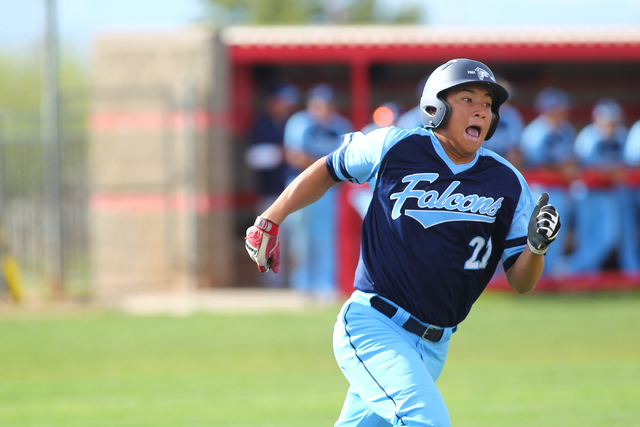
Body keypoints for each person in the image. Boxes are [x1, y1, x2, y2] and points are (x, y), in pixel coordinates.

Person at [245, 58, 561, 427]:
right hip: (373, 324)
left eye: (488, 105)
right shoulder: (395, 145)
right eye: (468, 99)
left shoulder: (507, 181)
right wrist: (271, 218)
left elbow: (521, 282)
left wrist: (536, 248)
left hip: (434, 344)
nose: (481, 110)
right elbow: (329, 168)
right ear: (435, 106)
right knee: (425, 420)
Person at [282, 83, 353, 302]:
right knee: (300, 238)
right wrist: (326, 168)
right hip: (300, 186)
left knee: (326, 237)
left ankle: (324, 284)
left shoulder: (341, 125)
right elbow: (295, 155)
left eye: (328, 105)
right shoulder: (300, 122)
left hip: (329, 189)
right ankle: (302, 284)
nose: (325, 109)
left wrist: (327, 170)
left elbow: (349, 159)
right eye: (320, 104)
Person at [567, 98, 637, 273]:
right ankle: (573, 271)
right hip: (586, 194)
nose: (611, 127)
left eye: (613, 123)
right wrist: (610, 172)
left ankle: (571, 270)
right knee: (591, 237)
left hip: (610, 194)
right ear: (597, 120)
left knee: (609, 237)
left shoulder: (620, 136)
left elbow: (625, 169)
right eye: (607, 123)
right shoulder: (588, 136)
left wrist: (610, 172)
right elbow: (583, 170)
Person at [520, 87, 577, 275]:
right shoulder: (535, 132)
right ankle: (539, 278)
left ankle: (552, 277)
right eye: (557, 107)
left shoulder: (566, 129)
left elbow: (571, 161)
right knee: (541, 234)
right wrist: (562, 169)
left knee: (557, 236)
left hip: (562, 190)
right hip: (540, 189)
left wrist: (567, 168)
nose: (562, 111)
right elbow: (533, 166)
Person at [246, 83, 300, 215]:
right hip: (271, 195)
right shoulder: (262, 124)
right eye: (283, 101)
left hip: (294, 193)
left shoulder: (291, 122)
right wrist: (283, 153)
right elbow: (252, 158)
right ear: (272, 101)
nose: (288, 106)